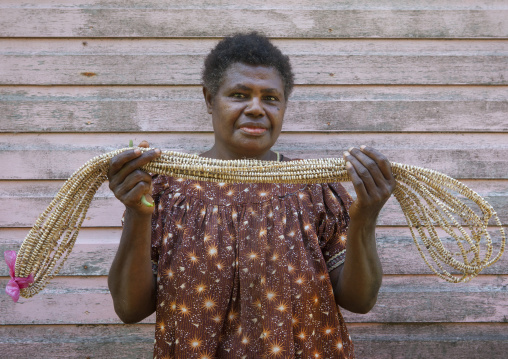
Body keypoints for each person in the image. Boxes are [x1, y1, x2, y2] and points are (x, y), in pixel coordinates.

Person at [107, 32, 395, 358]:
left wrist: (367, 215)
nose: (256, 108)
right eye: (240, 94)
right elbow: (129, 308)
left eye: (270, 98)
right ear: (208, 98)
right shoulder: (166, 191)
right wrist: (136, 210)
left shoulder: (315, 189)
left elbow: (360, 300)